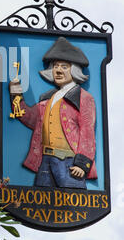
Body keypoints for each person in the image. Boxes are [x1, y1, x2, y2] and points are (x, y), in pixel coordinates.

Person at [9, 36, 97, 189]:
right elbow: (29, 117)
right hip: (45, 161)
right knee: (40, 206)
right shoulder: (48, 98)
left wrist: (82, 164)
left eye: (64, 66)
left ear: (74, 70)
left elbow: (87, 132)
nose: (58, 70)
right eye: (56, 66)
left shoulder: (84, 98)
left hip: (69, 163)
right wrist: (16, 95)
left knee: (73, 205)